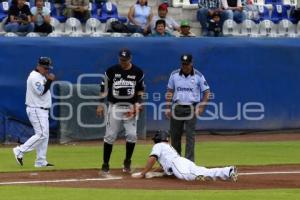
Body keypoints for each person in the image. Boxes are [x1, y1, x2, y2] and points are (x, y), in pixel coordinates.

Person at [96, 48, 145, 175]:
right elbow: (104, 87)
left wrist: (139, 103)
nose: (123, 62)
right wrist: (100, 104)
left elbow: (140, 90)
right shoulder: (112, 70)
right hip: (115, 107)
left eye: (125, 60)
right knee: (110, 135)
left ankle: (127, 161)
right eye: (121, 59)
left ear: (130, 59)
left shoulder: (138, 72)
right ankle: (105, 164)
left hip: (130, 107)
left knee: (132, 135)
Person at [131, 131, 238, 182]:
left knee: (187, 176)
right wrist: (153, 172)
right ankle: (228, 171)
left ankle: (209, 176)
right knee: (201, 170)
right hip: (183, 161)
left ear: (157, 139)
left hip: (177, 163)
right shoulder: (167, 147)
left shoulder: (158, 145)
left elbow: (152, 158)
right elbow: (163, 166)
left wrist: (143, 173)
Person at [165, 54, 210, 162]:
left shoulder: (198, 76)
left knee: (190, 136)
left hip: (192, 108)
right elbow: (170, 91)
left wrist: (202, 107)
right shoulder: (174, 74)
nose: (185, 66)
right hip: (177, 107)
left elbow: (207, 92)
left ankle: (189, 162)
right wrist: (167, 107)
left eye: (187, 64)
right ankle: (175, 161)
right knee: (175, 136)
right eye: (183, 64)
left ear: (191, 63)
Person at [13, 57, 55, 168]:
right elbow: (41, 92)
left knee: (45, 136)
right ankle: (20, 150)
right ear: (39, 66)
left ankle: (41, 161)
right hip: (36, 109)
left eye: (48, 68)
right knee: (41, 134)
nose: (47, 70)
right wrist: (50, 80)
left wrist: (48, 79)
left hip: (42, 110)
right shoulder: (34, 77)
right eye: (46, 68)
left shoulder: (40, 76)